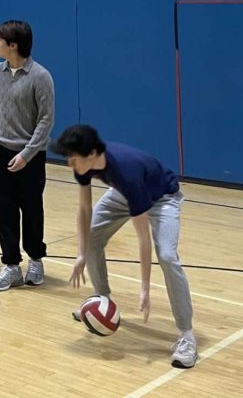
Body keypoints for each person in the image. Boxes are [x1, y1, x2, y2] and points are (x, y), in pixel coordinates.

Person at [52, 123, 198, 369]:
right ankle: (102, 302)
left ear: (92, 154)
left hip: (162, 198)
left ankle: (187, 336)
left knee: (167, 256)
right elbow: (84, 209)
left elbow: (142, 239)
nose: (70, 164)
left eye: (73, 159)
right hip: (121, 194)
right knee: (91, 236)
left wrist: (144, 288)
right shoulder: (83, 165)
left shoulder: (127, 171)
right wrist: (80, 254)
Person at [0, 20, 55, 292]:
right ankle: (11, 266)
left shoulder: (41, 77)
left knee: (31, 210)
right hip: (0, 149)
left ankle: (36, 259)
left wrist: (27, 154)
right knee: (3, 209)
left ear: (14, 45)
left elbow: (46, 120)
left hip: (30, 155)